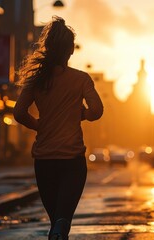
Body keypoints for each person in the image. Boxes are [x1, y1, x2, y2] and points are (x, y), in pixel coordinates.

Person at [13, 16, 103, 240]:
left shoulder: (36, 81)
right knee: (62, 219)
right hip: (72, 160)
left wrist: (38, 126)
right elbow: (97, 110)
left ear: (48, 47)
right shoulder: (81, 79)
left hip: (44, 161)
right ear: (71, 50)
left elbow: (19, 113)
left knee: (56, 219)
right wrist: (81, 114)